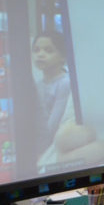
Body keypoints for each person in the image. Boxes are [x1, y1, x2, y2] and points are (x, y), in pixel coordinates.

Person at [31, 31, 73, 159]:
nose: (40, 55)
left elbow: (53, 122)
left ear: (63, 57)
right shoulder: (38, 84)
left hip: (52, 145)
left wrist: (39, 149)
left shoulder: (65, 83)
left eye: (48, 50)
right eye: (36, 50)